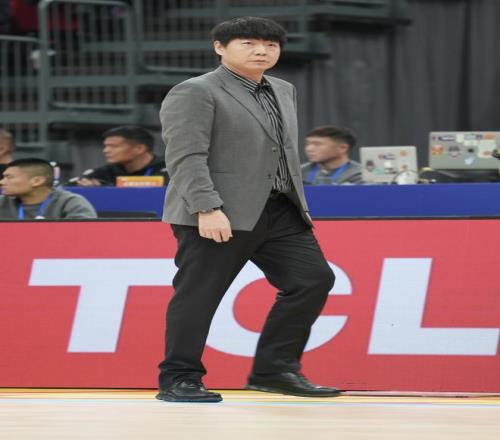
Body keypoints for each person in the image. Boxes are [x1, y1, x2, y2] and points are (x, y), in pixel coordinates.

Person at [157, 16, 340, 403]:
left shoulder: (283, 89)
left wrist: (297, 201)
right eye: (249, 43)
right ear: (219, 48)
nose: (262, 51)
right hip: (217, 210)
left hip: (280, 208)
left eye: (271, 45)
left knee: (312, 280)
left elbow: (281, 151)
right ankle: (179, 378)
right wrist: (207, 207)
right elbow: (185, 156)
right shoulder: (195, 91)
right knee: (199, 294)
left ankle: (274, 371)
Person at [0, 158, 97, 219]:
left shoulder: (71, 203)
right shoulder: (2, 202)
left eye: (9, 177)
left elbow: (84, 236)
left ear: (37, 181)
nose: (1, 182)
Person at [76, 126, 168, 186]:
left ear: (139, 149)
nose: (105, 150)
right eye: (106, 146)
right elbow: (73, 185)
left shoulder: (169, 171)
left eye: (113, 146)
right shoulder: (105, 172)